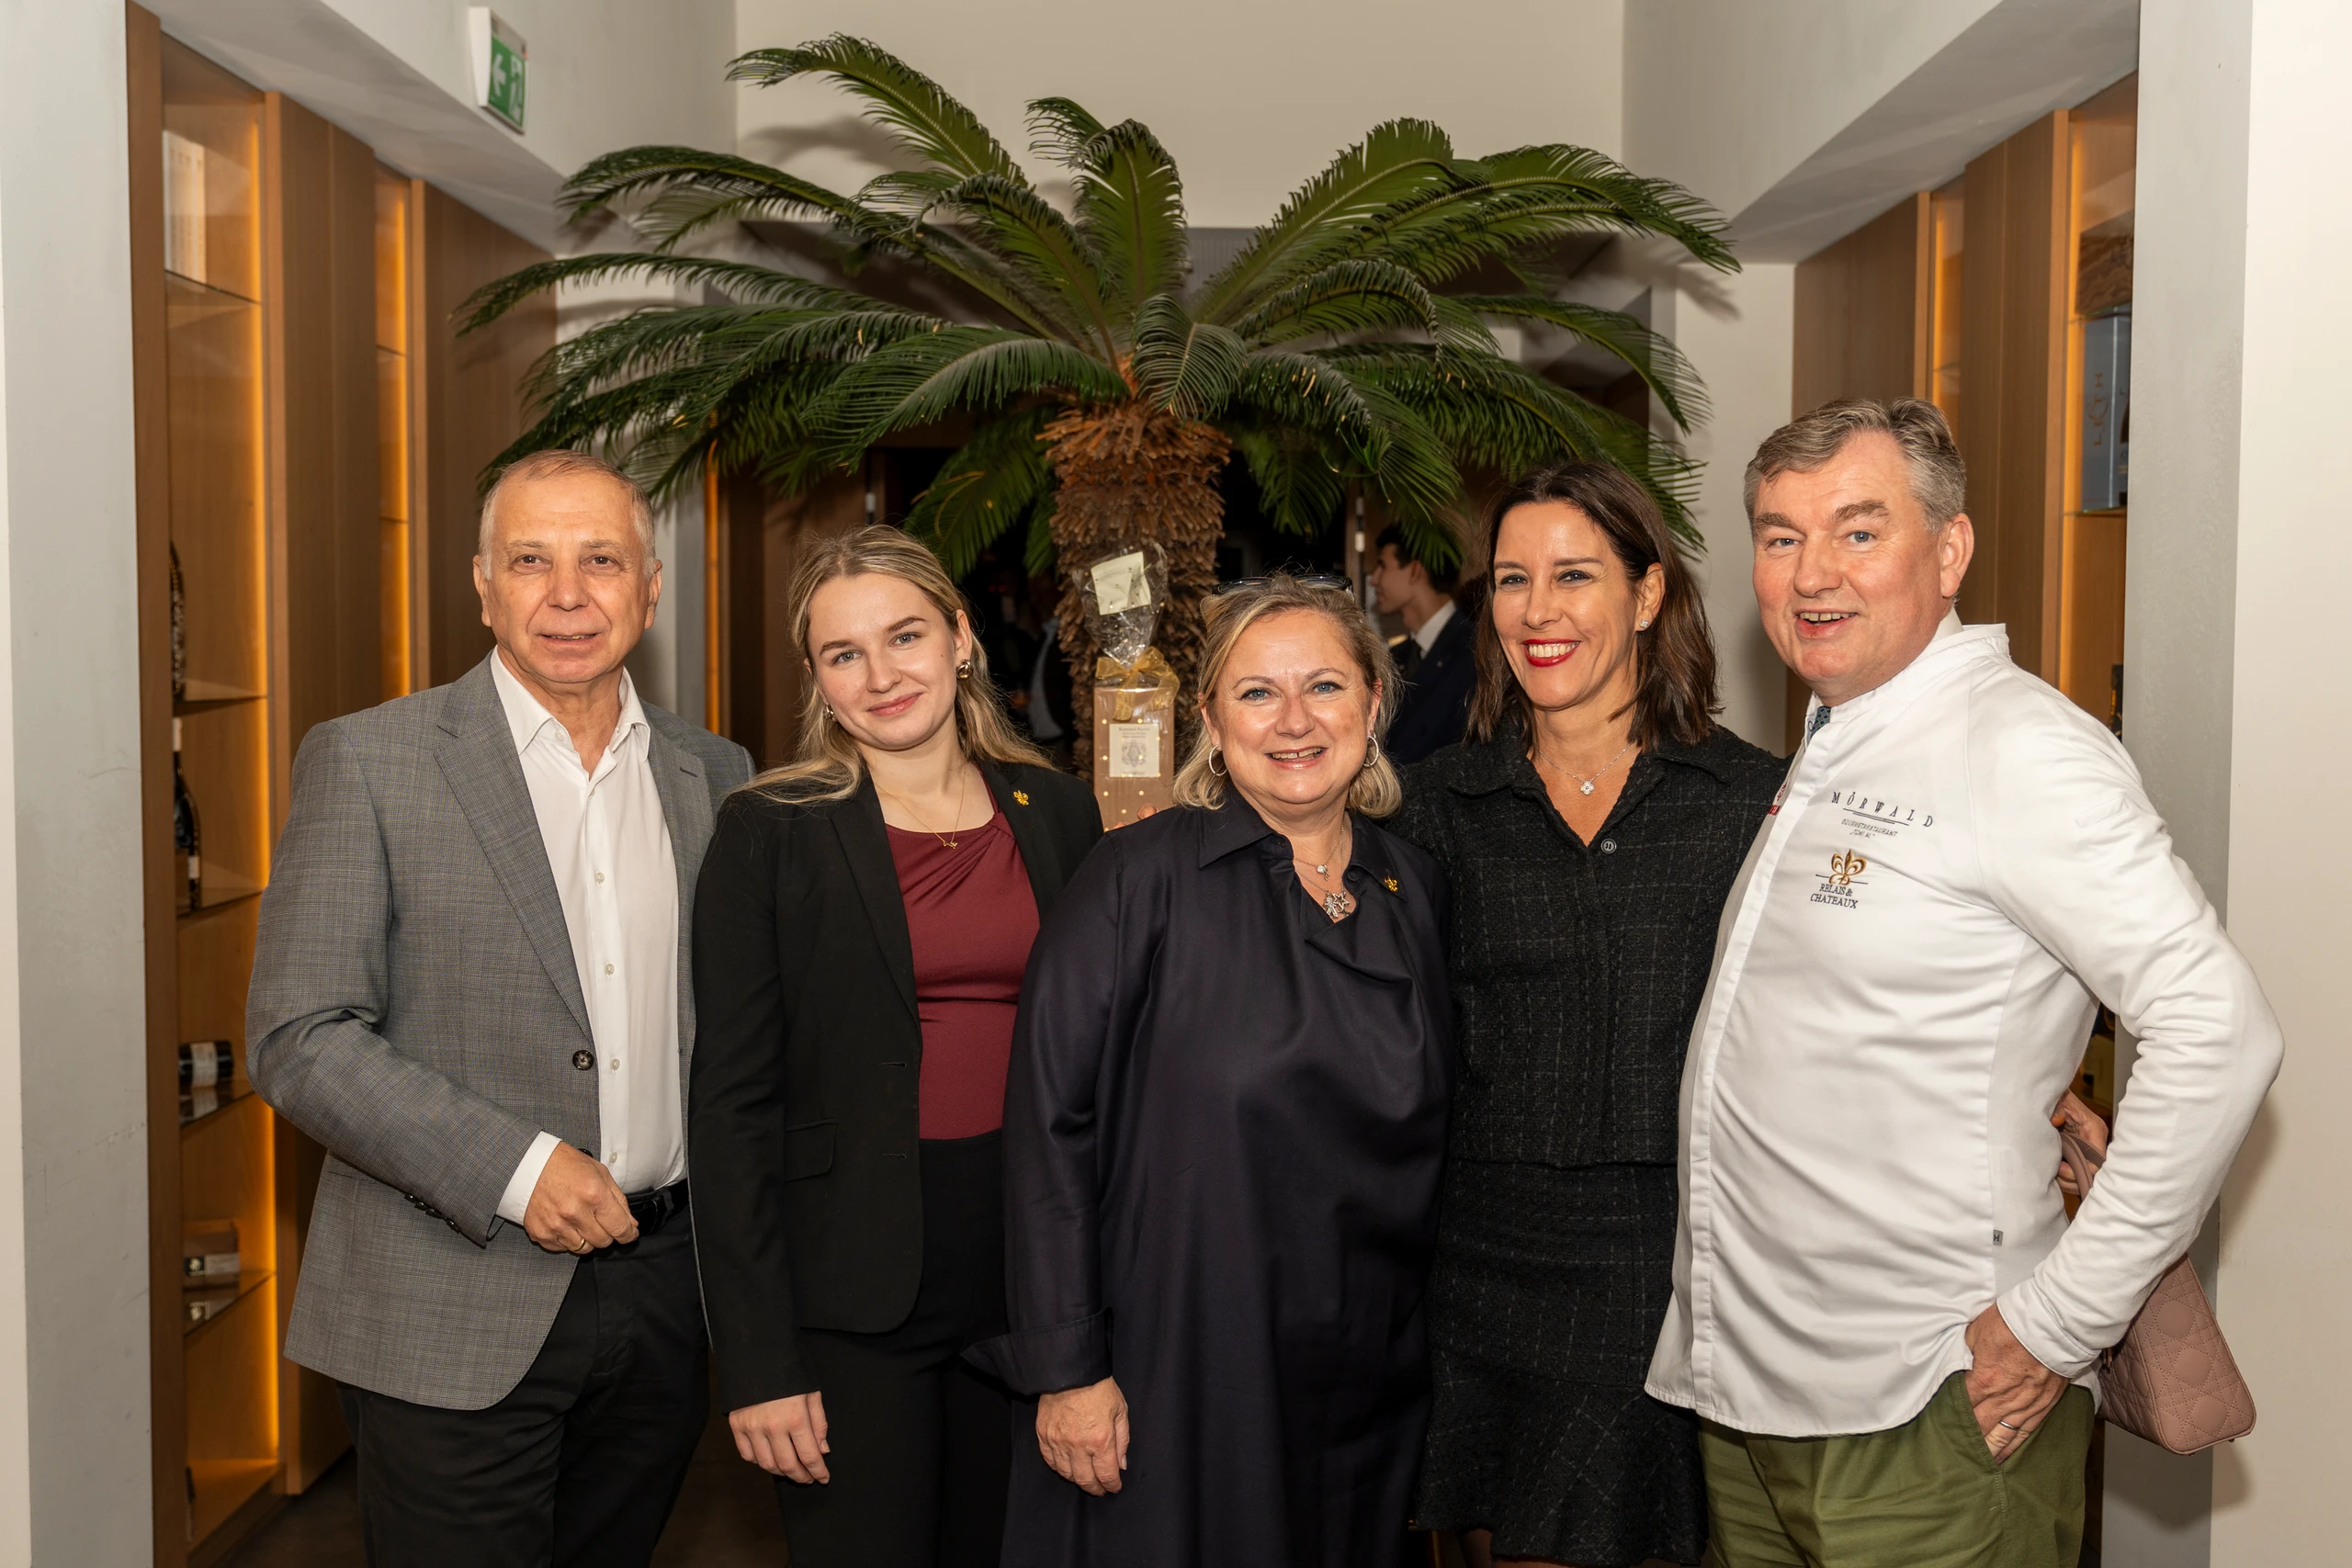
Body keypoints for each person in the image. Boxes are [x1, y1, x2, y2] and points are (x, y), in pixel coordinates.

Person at [1647, 398, 2283, 1567]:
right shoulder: (1842, 732)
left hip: (1929, 1409)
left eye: (1858, 530)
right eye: (1781, 537)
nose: (1811, 573)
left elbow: (2219, 1028)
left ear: (1949, 551)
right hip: (1761, 1401)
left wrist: (2055, 1324)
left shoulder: (2017, 748)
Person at [245, 449, 754, 1565]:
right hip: (447, 1299)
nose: (567, 594)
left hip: (665, 1296)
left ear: (649, 589)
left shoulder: (716, 774)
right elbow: (300, 1037)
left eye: (601, 561)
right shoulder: (371, 760)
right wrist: (519, 1171)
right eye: (531, 561)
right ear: (482, 587)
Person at [969, 575, 1454, 1568]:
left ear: (1372, 703)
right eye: (1256, 692)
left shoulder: (1416, 890)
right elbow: (1048, 1127)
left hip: (1366, 1383)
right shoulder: (1135, 879)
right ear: (1209, 718)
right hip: (1180, 1367)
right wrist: (1067, 1368)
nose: (1293, 721)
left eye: (1324, 686)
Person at [1395, 463, 1784, 1568]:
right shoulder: (1432, 809)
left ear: (1647, 594)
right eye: (1512, 580)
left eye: (1574, 575)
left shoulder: (1752, 804)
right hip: (1472, 1256)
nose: (1538, 610)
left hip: (1661, 1260)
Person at [690, 525, 1101, 1568]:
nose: (881, 676)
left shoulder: (1058, 810)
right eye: (844, 653)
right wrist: (758, 1363)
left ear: (960, 637)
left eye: (905, 636)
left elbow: (1099, 1063)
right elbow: (731, 1112)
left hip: (1027, 1278)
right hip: (851, 1296)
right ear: (818, 681)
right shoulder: (767, 830)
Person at [1370, 523, 1475, 761]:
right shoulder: (1396, 657)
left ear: (1415, 570)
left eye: (1382, 565)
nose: (1374, 579)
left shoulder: (1475, 652)